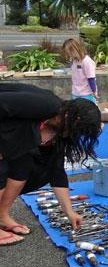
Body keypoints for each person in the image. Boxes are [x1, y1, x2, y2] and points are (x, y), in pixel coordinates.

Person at [0, 83, 101, 246]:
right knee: (2, 169)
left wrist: (70, 213)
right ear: (73, 118)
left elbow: (57, 173)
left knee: (24, 166)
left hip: (8, 136)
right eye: (78, 131)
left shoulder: (58, 129)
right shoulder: (46, 104)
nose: (74, 136)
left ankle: (2, 216)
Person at [63, 38, 98, 102]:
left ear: (74, 50)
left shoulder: (87, 61)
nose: (68, 55)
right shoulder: (74, 61)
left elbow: (91, 78)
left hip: (87, 94)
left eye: (69, 53)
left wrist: (94, 91)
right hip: (75, 93)